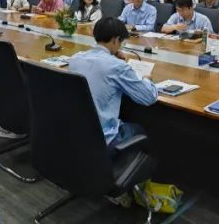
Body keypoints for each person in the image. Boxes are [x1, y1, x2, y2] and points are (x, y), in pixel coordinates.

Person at [67, 17, 158, 148]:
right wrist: (146, 79)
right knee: (139, 129)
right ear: (116, 40)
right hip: (102, 138)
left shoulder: (76, 58)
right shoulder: (117, 66)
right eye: (121, 42)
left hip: (76, 131)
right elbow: (149, 97)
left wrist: (115, 59)